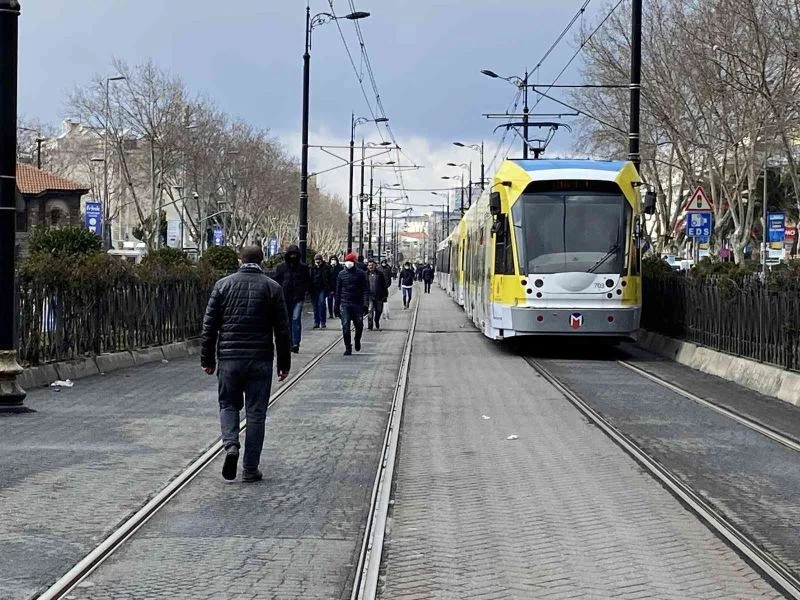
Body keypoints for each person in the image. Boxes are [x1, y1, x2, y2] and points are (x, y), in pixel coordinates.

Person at [201, 245, 291, 483]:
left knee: (228, 405)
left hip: (229, 359)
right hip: (260, 359)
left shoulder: (222, 285)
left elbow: (209, 327)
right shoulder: (273, 288)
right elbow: (282, 331)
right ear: (262, 260)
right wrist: (284, 363)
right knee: (256, 413)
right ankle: (250, 468)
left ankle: (231, 445)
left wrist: (207, 359)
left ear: (240, 260)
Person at [272, 245, 310, 353]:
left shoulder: (303, 268)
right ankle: (289, 342)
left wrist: (304, 291)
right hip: (285, 297)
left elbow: (307, 281)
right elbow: (276, 281)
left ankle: (295, 342)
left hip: (298, 297)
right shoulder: (281, 267)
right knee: (287, 320)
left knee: (295, 318)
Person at [335, 252, 369, 355]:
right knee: (345, 326)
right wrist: (336, 306)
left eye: (350, 261)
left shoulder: (361, 274)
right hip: (345, 304)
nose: (348, 263)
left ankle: (357, 340)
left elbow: (365, 290)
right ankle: (348, 347)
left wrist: (365, 304)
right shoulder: (341, 274)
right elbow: (338, 291)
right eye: (347, 261)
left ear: (355, 262)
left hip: (357, 304)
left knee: (359, 325)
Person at [309, 253, 332, 329]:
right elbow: (310, 278)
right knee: (315, 306)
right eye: (316, 260)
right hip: (314, 289)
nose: (317, 261)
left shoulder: (326, 268)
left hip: (322, 288)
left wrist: (329, 289)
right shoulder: (312, 268)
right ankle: (316, 322)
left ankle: (322, 322)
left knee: (321, 304)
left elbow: (329, 279)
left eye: (319, 260)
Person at [366, 259, 389, 330]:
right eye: (369, 265)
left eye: (372, 265)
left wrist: (385, 295)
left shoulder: (380, 274)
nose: (371, 267)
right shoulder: (365, 274)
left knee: (379, 310)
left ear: (375, 265)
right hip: (369, 296)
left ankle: (376, 320)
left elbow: (384, 285)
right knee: (370, 310)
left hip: (379, 296)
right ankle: (370, 326)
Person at [327, 255, 343, 319]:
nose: (333, 260)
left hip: (337, 287)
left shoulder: (339, 268)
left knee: (337, 301)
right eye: (332, 259)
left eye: (334, 259)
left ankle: (336, 312)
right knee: (329, 301)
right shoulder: (328, 268)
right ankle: (331, 313)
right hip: (330, 287)